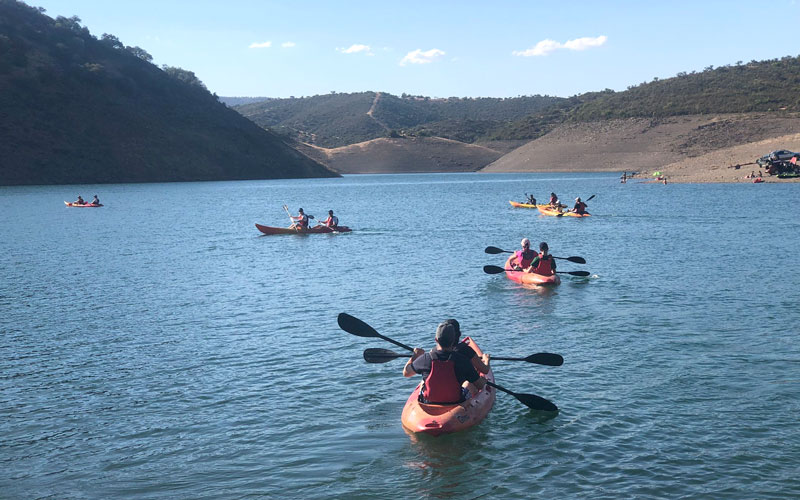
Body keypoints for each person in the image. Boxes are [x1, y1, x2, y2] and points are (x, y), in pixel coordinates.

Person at [403, 321, 488, 404]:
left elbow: (406, 373)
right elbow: (479, 385)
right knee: (470, 386)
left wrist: (415, 356)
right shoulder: (463, 360)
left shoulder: (425, 358)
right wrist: (483, 380)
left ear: (436, 339)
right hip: (455, 401)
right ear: (453, 340)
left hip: (428, 401)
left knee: (423, 382)